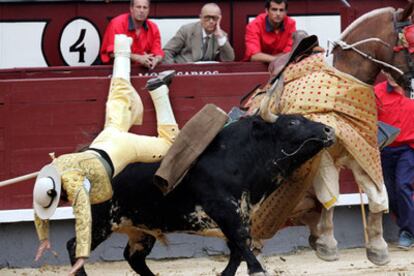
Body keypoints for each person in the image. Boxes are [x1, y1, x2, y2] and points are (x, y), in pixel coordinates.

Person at [33, 34, 178, 274]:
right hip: (105, 139)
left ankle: (159, 91)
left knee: (170, 144)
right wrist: (43, 238)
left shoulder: (73, 184)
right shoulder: (51, 172)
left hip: (121, 149)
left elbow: (83, 218)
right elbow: (39, 206)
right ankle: (122, 49)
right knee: (118, 98)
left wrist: (81, 256)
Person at [375, 73, 414, 249]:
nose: (390, 75)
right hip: (386, 148)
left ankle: (407, 231)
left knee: (402, 185)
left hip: (410, 148)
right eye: (388, 70)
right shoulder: (378, 92)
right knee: (390, 192)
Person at [162, 3, 235, 64]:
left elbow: (229, 60)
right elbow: (167, 52)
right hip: (185, 72)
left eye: (214, 18)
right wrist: (175, 71)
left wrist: (220, 38)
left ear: (220, 19)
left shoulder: (221, 36)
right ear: (200, 17)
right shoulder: (187, 30)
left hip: (206, 75)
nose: (211, 21)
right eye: (207, 17)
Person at [100, 0, 163, 69]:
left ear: (148, 10)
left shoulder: (153, 27)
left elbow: (158, 52)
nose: (142, 11)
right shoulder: (117, 23)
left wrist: (156, 59)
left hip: (144, 70)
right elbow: (112, 53)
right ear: (131, 9)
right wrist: (137, 58)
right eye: (138, 7)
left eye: (145, 8)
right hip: (117, 70)